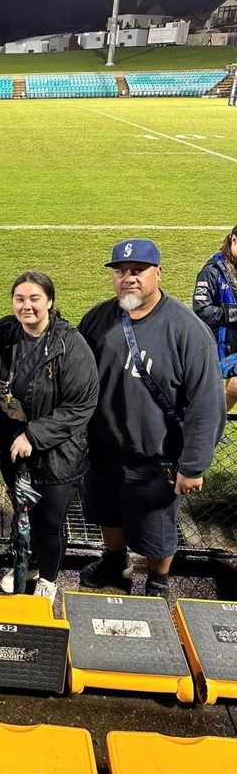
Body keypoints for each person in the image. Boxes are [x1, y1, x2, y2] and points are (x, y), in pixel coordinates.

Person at [78, 239, 226, 599]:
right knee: (106, 513)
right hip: (104, 449)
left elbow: (207, 404)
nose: (128, 278)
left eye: (138, 271)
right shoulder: (98, 318)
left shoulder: (186, 330)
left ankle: (158, 580)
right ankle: (115, 560)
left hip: (157, 457)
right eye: (120, 271)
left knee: (158, 529)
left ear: (158, 273)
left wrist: (192, 465)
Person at [0, 272, 99, 604]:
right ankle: (26, 562)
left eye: (34, 299)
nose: (27, 306)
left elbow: (81, 404)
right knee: (22, 512)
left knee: (49, 521)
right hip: (13, 447)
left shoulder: (70, 344)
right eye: (20, 299)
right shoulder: (6, 333)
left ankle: (49, 580)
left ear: (50, 302)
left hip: (56, 453)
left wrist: (34, 435)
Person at [193, 225, 237, 410]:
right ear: (233, 240)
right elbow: (201, 309)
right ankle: (213, 423)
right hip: (219, 340)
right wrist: (233, 314)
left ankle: (216, 424)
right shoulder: (212, 271)